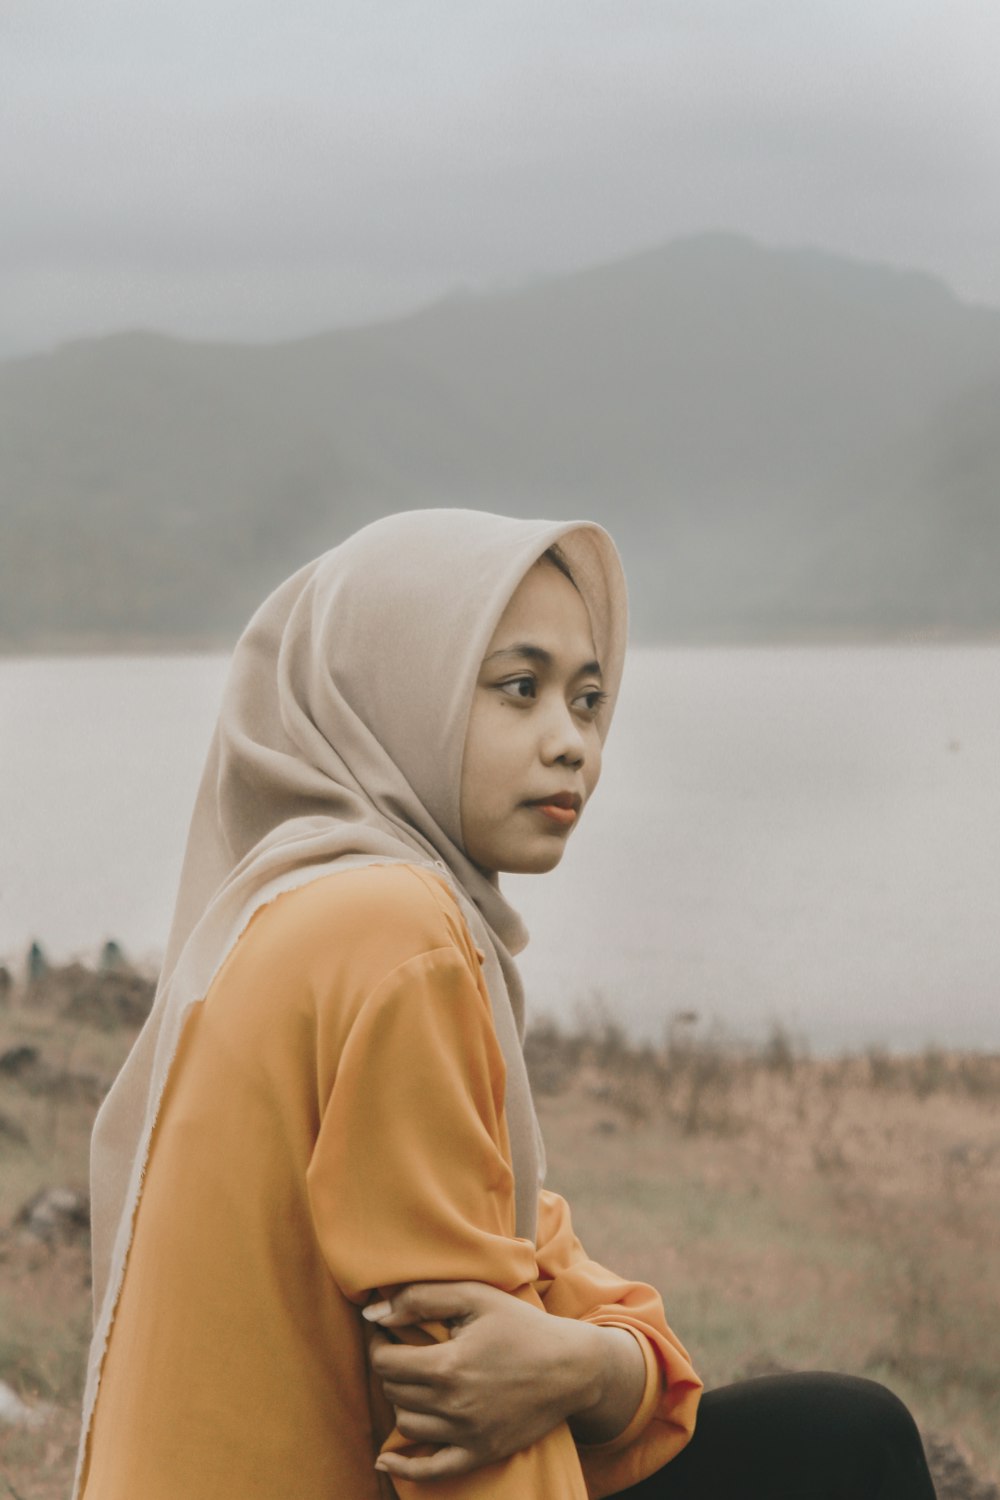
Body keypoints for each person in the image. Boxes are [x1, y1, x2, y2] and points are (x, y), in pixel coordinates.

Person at [73, 509, 937, 1499]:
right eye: (518, 689)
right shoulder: (394, 932)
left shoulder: (295, 910)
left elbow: (547, 1280)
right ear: (393, 688)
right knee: (847, 1447)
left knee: (838, 1431)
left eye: (587, 699)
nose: (571, 743)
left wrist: (585, 1364)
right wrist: (568, 1363)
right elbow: (461, 1394)